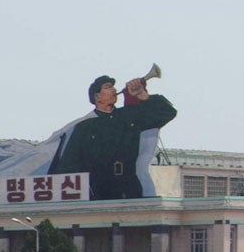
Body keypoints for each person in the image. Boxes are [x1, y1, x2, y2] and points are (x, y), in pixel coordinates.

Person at [47, 73, 179, 200]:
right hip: (98, 192)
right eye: (108, 87)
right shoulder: (84, 127)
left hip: (129, 189)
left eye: (113, 87)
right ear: (97, 97)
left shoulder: (128, 115)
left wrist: (142, 95)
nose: (114, 90)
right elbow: (68, 166)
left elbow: (167, 113)